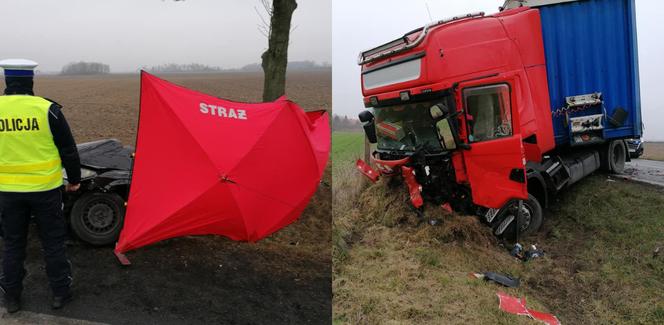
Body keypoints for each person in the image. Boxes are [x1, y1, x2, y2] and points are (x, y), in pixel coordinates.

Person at [0, 59, 81, 313]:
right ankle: (60, 293)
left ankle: (12, 297)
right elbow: (68, 149)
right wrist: (75, 179)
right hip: (45, 190)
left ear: (6, 81)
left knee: (13, 244)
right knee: (53, 243)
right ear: (31, 81)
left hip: (7, 193)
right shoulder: (49, 110)